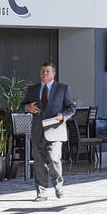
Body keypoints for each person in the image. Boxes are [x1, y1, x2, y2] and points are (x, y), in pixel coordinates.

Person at [22, 61, 76, 201]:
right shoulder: (32, 89)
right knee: (39, 163)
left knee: (53, 160)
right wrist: (27, 107)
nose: (44, 74)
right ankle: (41, 192)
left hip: (55, 130)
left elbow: (71, 107)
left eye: (47, 71)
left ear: (54, 73)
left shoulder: (62, 88)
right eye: (42, 71)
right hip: (37, 131)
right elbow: (23, 105)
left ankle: (58, 185)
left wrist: (62, 116)